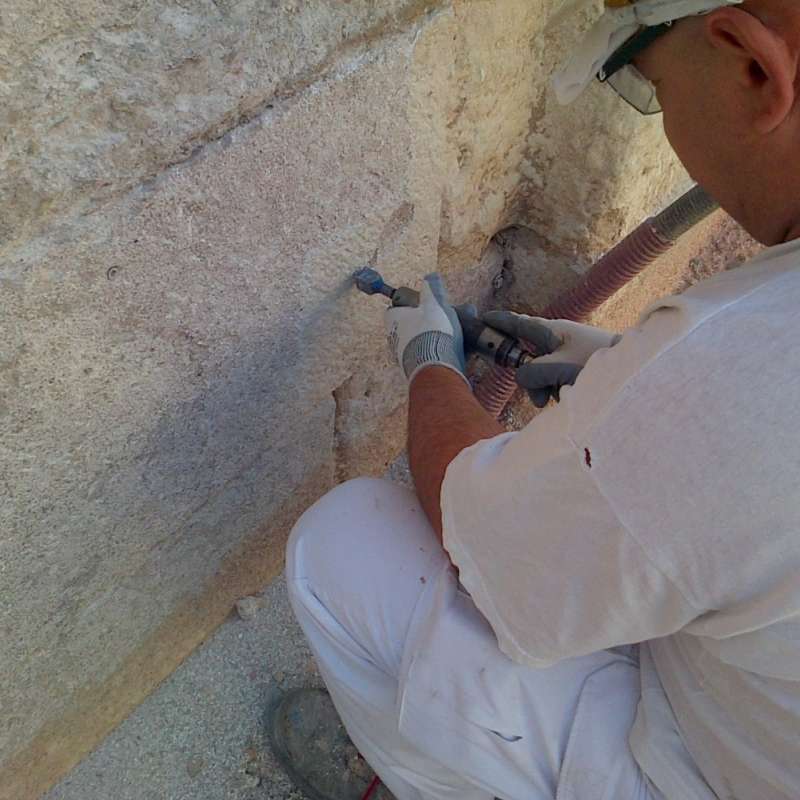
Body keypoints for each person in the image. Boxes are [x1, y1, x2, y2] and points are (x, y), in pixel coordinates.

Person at [278, 1, 800, 797]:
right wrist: (620, 371)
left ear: (754, 68)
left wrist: (430, 366)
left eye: (649, 85)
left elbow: (483, 541)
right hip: (753, 699)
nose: (662, 117)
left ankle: (423, 776)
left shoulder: (744, 361)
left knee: (343, 546)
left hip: (707, 772)